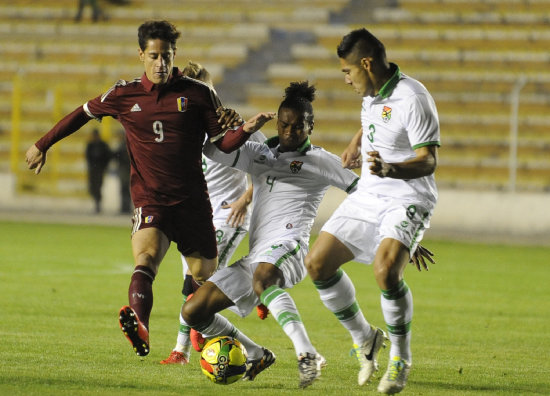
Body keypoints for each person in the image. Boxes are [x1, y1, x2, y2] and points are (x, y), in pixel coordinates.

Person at [24, 20, 267, 358]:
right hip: (151, 198)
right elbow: (81, 113)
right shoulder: (123, 95)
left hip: (193, 203)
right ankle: (140, 325)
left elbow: (222, 144)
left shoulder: (198, 93)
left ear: (174, 54)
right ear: (141, 55)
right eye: (154, 56)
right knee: (146, 258)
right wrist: (43, 144)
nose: (160, 63)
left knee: (203, 274)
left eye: (166, 56)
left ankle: (216, 324)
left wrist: (245, 130)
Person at [180, 81, 362, 388]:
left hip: (289, 248)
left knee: (264, 280)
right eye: (284, 125)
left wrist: (400, 233)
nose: (290, 132)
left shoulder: (321, 161)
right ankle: (256, 352)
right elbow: (211, 150)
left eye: (298, 127)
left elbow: (365, 192)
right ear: (277, 122)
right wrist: (239, 128)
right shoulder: (258, 154)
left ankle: (307, 354)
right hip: (258, 256)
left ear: (311, 126)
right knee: (193, 310)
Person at [304, 28, 440, 394]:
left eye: (347, 72)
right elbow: (373, 121)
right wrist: (354, 143)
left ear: (366, 63)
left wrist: (392, 169)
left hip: (408, 196)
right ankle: (365, 338)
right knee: (317, 264)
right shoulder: (372, 93)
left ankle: (400, 357)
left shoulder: (413, 97)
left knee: (385, 272)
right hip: (369, 194)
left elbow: (428, 161)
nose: (346, 79)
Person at [160, 61, 267, 366]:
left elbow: (267, 165)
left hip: (227, 215)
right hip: (194, 216)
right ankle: (258, 290)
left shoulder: (229, 123)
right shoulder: (182, 127)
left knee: (198, 287)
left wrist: (246, 198)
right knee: (191, 286)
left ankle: (184, 348)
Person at [85, 128, 111, 213]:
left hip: (100, 169)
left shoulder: (103, 145)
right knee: (92, 187)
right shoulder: (90, 145)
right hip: (93, 169)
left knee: (98, 186)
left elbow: (108, 156)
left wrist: (104, 166)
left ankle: (98, 204)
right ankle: (97, 202)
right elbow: (87, 157)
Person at [112, 130, 132, 214]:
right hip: (124, 169)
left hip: (125, 169)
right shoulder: (125, 145)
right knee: (125, 189)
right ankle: (125, 207)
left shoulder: (124, 145)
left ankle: (125, 207)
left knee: (124, 189)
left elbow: (120, 156)